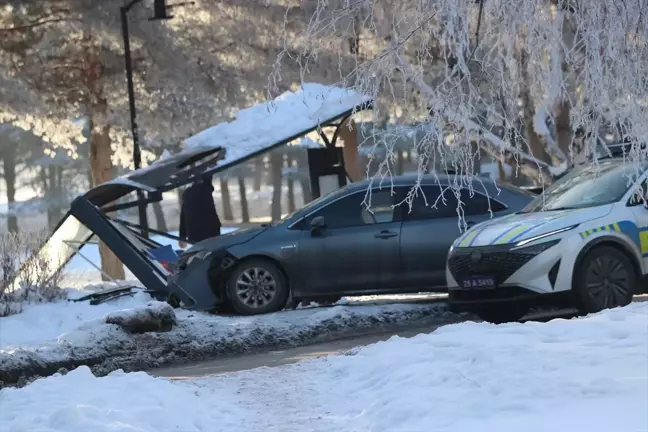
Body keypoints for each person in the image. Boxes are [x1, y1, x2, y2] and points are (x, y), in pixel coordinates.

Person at [178, 176, 222, 248]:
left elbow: (183, 215)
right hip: (210, 231)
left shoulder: (187, 193)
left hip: (195, 233)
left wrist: (182, 236)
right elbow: (184, 215)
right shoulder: (205, 190)